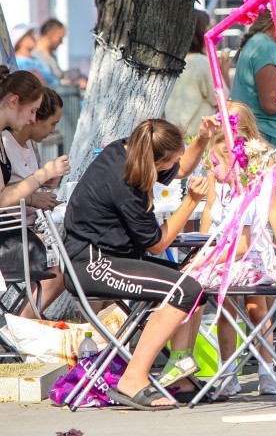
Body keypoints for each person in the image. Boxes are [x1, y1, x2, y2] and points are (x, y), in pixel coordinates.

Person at [62, 118, 212, 410]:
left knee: (197, 286)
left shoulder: (130, 152)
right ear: (158, 159)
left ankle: (178, 374)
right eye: (173, 158)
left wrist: (203, 138)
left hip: (116, 258)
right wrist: (191, 201)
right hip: (93, 264)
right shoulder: (124, 182)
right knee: (184, 290)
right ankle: (133, 378)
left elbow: (178, 169)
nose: (177, 165)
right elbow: (157, 243)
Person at [194, 101, 276, 397]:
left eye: (229, 123)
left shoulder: (262, 156)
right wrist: (203, 242)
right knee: (227, 310)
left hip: (256, 242)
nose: (223, 128)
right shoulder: (215, 156)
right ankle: (229, 373)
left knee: (256, 308)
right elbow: (209, 205)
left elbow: (272, 205)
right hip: (224, 243)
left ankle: (266, 370)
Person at [1, 87, 70, 314]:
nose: (54, 130)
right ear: (34, 119)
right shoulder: (4, 143)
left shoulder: (30, 145)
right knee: (64, 262)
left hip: (27, 229)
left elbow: (26, 183)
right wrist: (33, 195)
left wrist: (44, 182)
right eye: (52, 123)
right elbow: (5, 196)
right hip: (11, 234)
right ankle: (22, 325)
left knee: (79, 249)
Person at [230, 12, 276, 155]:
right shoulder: (265, 46)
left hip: (262, 136)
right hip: (268, 137)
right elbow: (270, 104)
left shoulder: (261, 43)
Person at [164, 9, 218, 137]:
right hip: (196, 138)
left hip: (174, 136)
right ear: (200, 31)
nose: (211, 30)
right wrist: (224, 71)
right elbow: (219, 99)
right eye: (208, 26)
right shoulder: (202, 62)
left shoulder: (170, 61)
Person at [30, 19, 68, 87]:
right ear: (50, 34)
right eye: (60, 38)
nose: (61, 42)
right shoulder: (33, 57)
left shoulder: (52, 56)